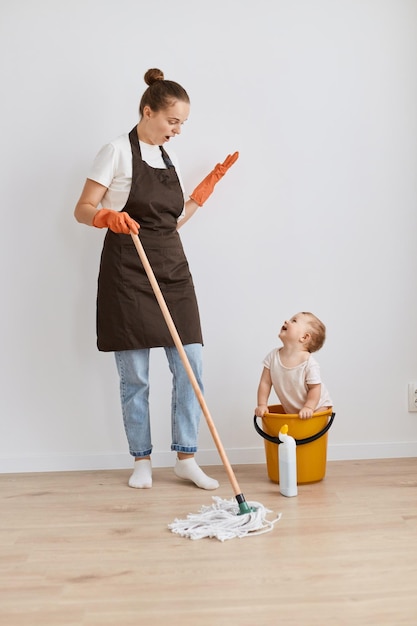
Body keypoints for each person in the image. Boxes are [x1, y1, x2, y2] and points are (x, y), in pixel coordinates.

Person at [74, 68, 238, 490]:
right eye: (172, 121)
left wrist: (201, 194)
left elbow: (171, 221)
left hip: (172, 267)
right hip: (128, 272)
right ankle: (142, 460)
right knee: (137, 377)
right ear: (148, 111)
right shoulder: (114, 151)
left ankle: (185, 456)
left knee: (191, 366)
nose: (178, 131)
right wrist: (107, 216)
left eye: (182, 123)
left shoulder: (170, 157)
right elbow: (83, 208)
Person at [254, 312, 332, 419]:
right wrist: (262, 405)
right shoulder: (273, 357)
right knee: (293, 434)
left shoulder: (309, 363)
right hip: (294, 412)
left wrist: (309, 407)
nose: (286, 321)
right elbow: (265, 383)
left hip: (317, 407)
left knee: (309, 432)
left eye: (293, 321)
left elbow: (315, 388)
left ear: (304, 337)